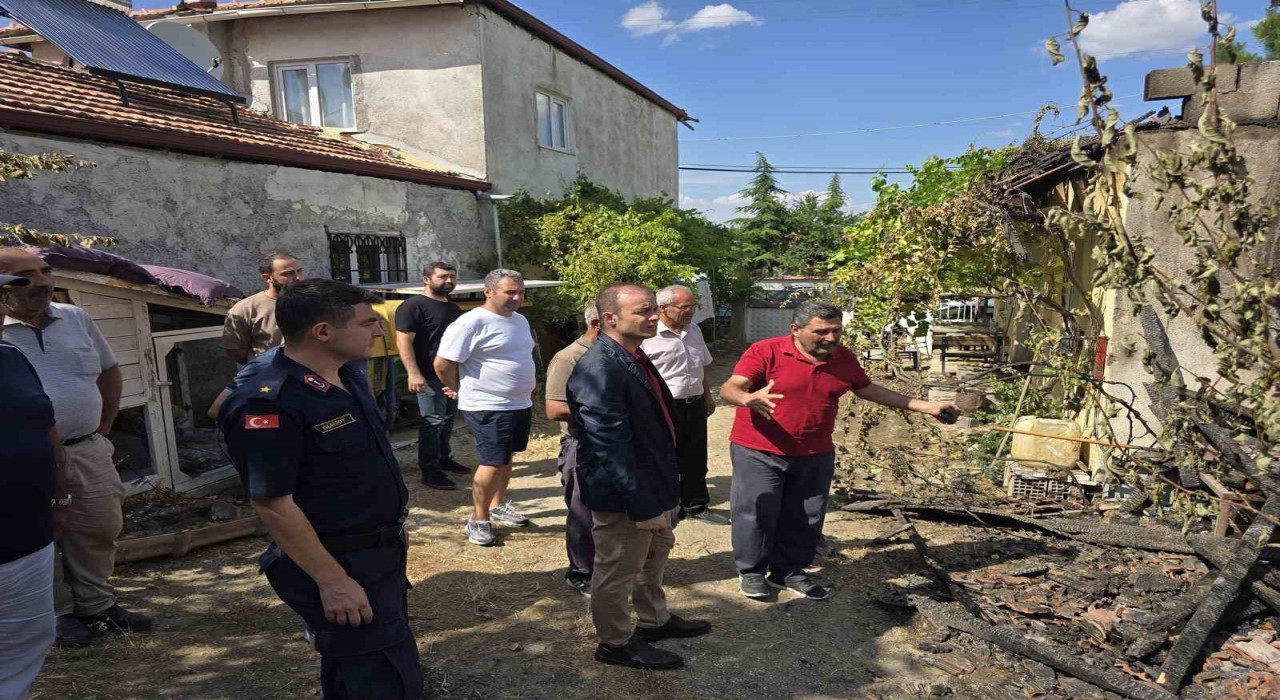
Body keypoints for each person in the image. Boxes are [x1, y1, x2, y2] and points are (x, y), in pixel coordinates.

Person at [219, 278, 421, 699]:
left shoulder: (345, 372)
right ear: (323, 332)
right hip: (337, 560)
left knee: (360, 668)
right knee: (380, 676)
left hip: (377, 552)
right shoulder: (269, 400)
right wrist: (332, 581)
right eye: (368, 323)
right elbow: (272, 502)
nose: (379, 331)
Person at [720, 301, 960, 601]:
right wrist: (746, 398)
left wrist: (928, 406)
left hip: (814, 452)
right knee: (757, 511)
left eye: (836, 331)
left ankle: (789, 571)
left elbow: (867, 389)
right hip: (759, 449)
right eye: (821, 331)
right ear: (795, 330)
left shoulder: (843, 358)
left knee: (806, 514)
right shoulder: (766, 350)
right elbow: (730, 387)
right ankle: (752, 572)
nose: (831, 339)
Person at [0, 248, 153, 648]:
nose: (44, 282)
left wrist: (103, 426)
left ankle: (96, 605)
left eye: (45, 271)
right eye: (26, 276)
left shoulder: (75, 318)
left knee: (99, 528)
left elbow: (109, 371)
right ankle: (56, 615)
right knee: (39, 535)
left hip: (86, 448)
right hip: (26, 458)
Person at [567, 284, 710, 671]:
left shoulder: (633, 354)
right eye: (644, 311)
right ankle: (614, 643)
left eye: (653, 310)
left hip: (655, 482)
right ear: (610, 319)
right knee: (617, 569)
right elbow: (609, 447)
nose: (653, 317)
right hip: (625, 496)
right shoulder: (599, 367)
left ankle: (654, 622)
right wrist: (643, 504)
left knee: (654, 556)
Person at [434, 269, 537, 547]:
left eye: (520, 292)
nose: (517, 297)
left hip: (519, 403)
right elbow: (443, 364)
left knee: (505, 457)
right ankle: (478, 519)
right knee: (491, 461)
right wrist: (456, 388)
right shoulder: (471, 322)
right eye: (510, 292)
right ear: (488, 292)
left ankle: (497, 505)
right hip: (488, 405)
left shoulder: (520, 321)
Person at [0, 272, 62, 697]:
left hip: (26, 538)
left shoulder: (10, 357)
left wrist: (59, 496)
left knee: (25, 644)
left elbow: (44, 424)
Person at [640, 284, 722, 523]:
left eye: (693, 306)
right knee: (664, 456)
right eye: (684, 307)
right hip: (664, 406)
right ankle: (667, 505)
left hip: (694, 403)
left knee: (695, 456)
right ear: (663, 308)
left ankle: (695, 506)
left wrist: (707, 396)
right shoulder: (648, 334)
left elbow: (701, 367)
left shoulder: (694, 330)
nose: (691, 311)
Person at [543, 301, 601, 597]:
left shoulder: (621, 354)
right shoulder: (568, 358)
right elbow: (554, 409)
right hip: (581, 444)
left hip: (612, 444)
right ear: (598, 324)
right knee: (583, 510)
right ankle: (581, 571)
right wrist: (604, 413)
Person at [394, 262, 468, 491]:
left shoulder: (453, 308)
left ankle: (443, 459)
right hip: (427, 375)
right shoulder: (413, 306)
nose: (449, 281)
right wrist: (414, 374)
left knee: (446, 420)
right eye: (443, 276)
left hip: (450, 375)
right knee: (432, 421)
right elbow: (403, 341)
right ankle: (430, 471)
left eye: (452, 277)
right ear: (426, 279)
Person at [221, 252, 304, 365]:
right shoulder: (245, 308)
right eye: (288, 273)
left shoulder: (315, 301)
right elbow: (235, 350)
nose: (298, 277)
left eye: (299, 270)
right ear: (267, 278)